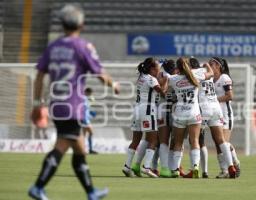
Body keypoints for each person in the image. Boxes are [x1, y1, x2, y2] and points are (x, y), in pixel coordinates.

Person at [28, 4, 119, 200]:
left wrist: (37, 103)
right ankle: (38, 187)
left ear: (62, 24)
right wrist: (115, 85)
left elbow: (39, 76)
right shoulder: (83, 46)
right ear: (82, 25)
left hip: (56, 103)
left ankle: (91, 192)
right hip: (73, 104)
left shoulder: (52, 47)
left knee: (80, 148)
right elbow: (100, 74)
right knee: (61, 146)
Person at [122, 57, 166, 178]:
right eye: (158, 68)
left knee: (135, 140)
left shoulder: (142, 76)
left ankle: (127, 166)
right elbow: (162, 92)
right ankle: (146, 167)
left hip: (137, 110)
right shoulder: (152, 79)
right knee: (153, 139)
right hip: (147, 110)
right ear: (152, 69)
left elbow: (153, 82)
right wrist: (166, 81)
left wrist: (161, 62)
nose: (159, 70)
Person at [183, 57, 226, 179]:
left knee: (196, 141)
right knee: (212, 141)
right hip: (213, 109)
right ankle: (209, 171)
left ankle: (194, 168)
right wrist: (207, 66)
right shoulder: (208, 73)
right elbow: (210, 73)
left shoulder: (193, 75)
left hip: (200, 110)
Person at [168, 57, 207, 178]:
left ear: (177, 68)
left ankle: (175, 169)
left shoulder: (173, 79)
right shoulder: (196, 75)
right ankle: (195, 166)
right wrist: (207, 66)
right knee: (195, 141)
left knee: (178, 142)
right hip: (194, 113)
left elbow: (166, 87)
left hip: (180, 113)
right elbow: (210, 73)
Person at [210, 57, 240, 178]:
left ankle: (236, 163)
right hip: (215, 114)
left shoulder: (224, 78)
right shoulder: (211, 79)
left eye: (211, 63)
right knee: (218, 143)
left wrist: (213, 100)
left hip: (225, 114)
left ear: (218, 66)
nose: (209, 65)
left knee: (224, 143)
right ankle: (224, 170)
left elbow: (229, 96)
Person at [82, 87, 98, 154]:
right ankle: (90, 149)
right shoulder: (83, 98)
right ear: (87, 92)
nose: (90, 95)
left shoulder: (85, 99)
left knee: (84, 134)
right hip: (84, 119)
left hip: (85, 118)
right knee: (90, 133)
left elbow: (86, 110)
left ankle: (83, 149)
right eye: (90, 93)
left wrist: (91, 113)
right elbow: (83, 109)